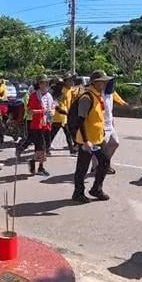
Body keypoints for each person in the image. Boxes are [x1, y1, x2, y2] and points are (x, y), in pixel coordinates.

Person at [72, 71, 113, 203]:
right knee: (82, 167)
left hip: (98, 138)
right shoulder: (87, 97)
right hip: (88, 140)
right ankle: (78, 193)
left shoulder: (97, 95)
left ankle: (96, 189)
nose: (104, 83)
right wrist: (86, 141)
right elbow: (80, 120)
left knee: (105, 161)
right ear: (95, 82)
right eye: (102, 81)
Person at [90, 77, 128, 175]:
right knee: (99, 147)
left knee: (115, 143)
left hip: (109, 124)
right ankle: (95, 167)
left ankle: (105, 164)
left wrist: (124, 104)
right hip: (101, 125)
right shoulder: (97, 94)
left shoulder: (111, 94)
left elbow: (118, 101)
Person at [27, 75, 55, 176]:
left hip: (46, 124)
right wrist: (41, 111)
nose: (46, 85)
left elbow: (52, 107)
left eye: (47, 83)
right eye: (43, 83)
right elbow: (29, 111)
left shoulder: (49, 96)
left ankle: (38, 165)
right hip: (37, 125)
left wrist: (52, 111)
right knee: (41, 148)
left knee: (46, 147)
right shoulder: (34, 96)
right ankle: (36, 164)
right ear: (39, 84)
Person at [49, 77, 73, 153]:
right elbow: (56, 107)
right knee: (52, 134)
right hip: (57, 118)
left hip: (63, 118)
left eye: (62, 85)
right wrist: (65, 113)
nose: (61, 86)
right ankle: (46, 148)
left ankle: (72, 150)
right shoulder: (53, 95)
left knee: (68, 134)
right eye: (60, 85)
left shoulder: (62, 94)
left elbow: (65, 105)